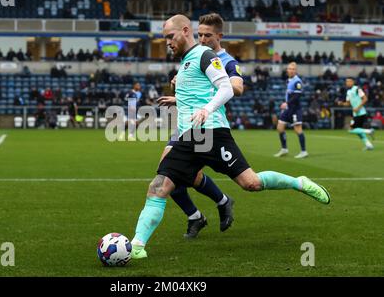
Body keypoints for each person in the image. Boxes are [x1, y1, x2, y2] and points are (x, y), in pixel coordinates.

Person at [130, 14, 331, 260]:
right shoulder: (185, 63)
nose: (167, 42)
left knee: (251, 183)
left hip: (212, 133)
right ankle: (136, 246)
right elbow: (197, 92)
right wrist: (178, 98)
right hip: (187, 137)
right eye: (165, 39)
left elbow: (227, 88)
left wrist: (207, 109)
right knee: (159, 186)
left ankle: (298, 182)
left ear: (184, 31)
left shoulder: (206, 56)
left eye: (170, 37)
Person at [157, 13, 244, 238]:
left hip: (209, 124)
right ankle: (201, 212)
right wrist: (179, 93)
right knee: (168, 171)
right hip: (188, 122)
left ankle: (217, 204)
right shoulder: (194, 56)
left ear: (219, 36)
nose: (203, 39)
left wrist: (214, 79)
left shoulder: (226, 61)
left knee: (178, 173)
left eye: (207, 35)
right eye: (200, 34)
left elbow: (236, 88)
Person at [274, 62, 308, 159]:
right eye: (290, 68)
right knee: (280, 127)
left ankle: (303, 151)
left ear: (295, 71)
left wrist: (286, 103)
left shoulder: (297, 81)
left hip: (295, 109)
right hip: (288, 109)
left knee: (298, 130)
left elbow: (297, 96)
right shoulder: (289, 80)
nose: (291, 70)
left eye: (293, 69)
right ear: (287, 70)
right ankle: (284, 149)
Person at [336, 78, 374, 150]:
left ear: (353, 82)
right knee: (358, 131)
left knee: (351, 129)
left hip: (361, 112)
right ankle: (368, 144)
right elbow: (348, 103)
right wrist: (341, 103)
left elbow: (365, 99)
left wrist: (358, 108)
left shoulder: (357, 89)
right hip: (355, 113)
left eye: (349, 81)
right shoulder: (348, 92)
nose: (347, 83)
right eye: (346, 81)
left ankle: (369, 131)